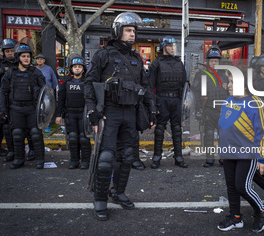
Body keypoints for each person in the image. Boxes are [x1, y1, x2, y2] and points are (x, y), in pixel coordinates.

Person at [84, 12, 156, 221]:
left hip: (131, 113)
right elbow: (89, 83)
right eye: (128, 30)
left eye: (134, 31)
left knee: (126, 157)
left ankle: (119, 192)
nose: (132, 34)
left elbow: (146, 87)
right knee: (106, 158)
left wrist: (151, 110)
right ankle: (100, 199)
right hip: (109, 113)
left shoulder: (136, 57)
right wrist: (92, 111)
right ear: (117, 32)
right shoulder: (103, 55)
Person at [217, 70, 264, 233]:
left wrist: (263, 158)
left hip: (247, 154)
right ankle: (236, 218)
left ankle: (263, 211)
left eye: (234, 82)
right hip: (228, 153)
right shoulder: (228, 101)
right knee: (231, 187)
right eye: (229, 82)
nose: (229, 86)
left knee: (242, 187)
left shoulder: (256, 104)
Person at [0, 42, 46, 169]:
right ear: (17, 57)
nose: (26, 58)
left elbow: (45, 92)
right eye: (23, 56)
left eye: (28, 56)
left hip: (32, 109)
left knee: (36, 134)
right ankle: (19, 159)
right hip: (15, 109)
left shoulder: (36, 72)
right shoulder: (10, 73)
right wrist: (3, 109)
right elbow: (3, 92)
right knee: (17, 134)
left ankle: (39, 160)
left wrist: (43, 110)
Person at [148, 36, 188, 169]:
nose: (172, 48)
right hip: (162, 100)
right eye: (170, 46)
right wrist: (153, 105)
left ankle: (178, 157)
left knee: (177, 129)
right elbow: (150, 86)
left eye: (173, 46)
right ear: (163, 47)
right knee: (159, 130)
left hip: (176, 100)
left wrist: (184, 101)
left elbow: (184, 84)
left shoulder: (179, 63)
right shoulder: (156, 62)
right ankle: (156, 157)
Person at [192, 45, 229, 167]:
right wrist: (198, 110)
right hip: (208, 110)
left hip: (223, 110)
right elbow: (196, 95)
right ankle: (210, 158)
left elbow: (232, 93)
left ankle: (223, 158)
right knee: (208, 135)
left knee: (223, 136)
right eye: (212, 61)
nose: (214, 63)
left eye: (216, 61)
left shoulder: (225, 76)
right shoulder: (201, 75)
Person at [55, 54, 91, 169]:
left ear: (83, 69)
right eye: (75, 66)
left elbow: (91, 99)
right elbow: (61, 100)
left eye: (79, 67)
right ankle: (74, 160)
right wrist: (58, 115)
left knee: (84, 138)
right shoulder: (66, 83)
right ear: (71, 68)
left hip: (83, 114)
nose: (77, 68)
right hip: (70, 114)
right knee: (73, 138)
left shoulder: (87, 83)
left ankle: (86, 161)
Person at [0, 39, 16, 160]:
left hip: (15, 98)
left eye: (12, 51)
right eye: (7, 51)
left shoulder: (18, 63)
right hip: (2, 98)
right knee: (2, 125)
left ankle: (15, 150)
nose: (10, 53)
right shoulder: (1, 64)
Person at [35, 54, 58, 132]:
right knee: (39, 109)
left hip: (48, 93)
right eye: (38, 59)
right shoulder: (34, 69)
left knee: (48, 109)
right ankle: (39, 124)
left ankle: (47, 125)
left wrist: (52, 91)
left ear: (44, 60)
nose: (39, 60)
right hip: (38, 93)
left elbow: (54, 80)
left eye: (41, 59)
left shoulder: (49, 69)